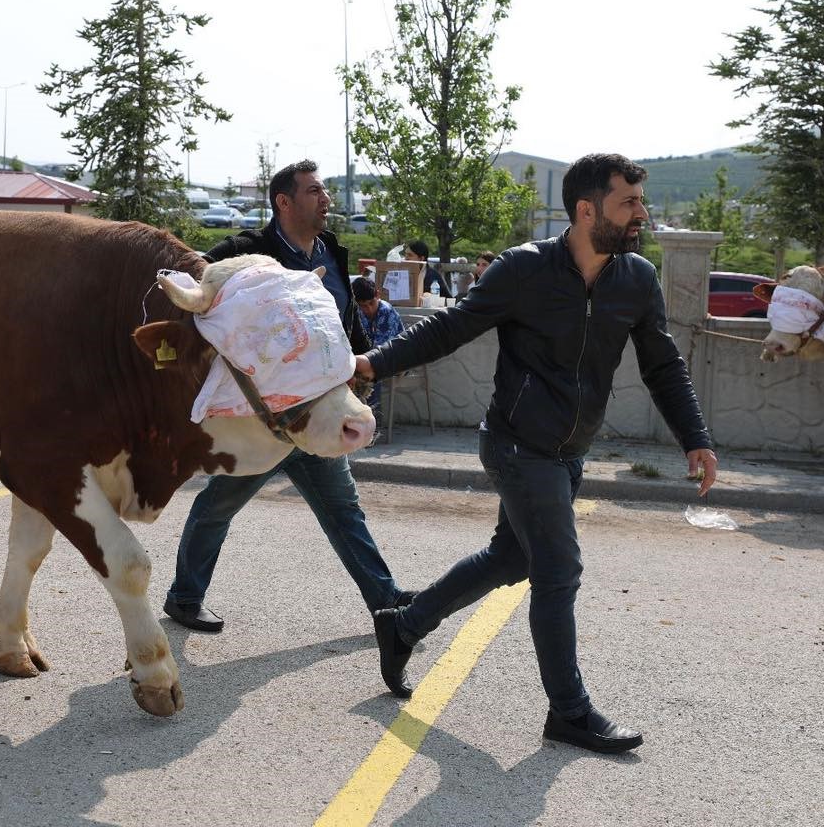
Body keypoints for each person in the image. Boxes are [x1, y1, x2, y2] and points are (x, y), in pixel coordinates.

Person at [355, 153, 718, 754]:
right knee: (558, 569)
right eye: (629, 202)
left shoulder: (635, 278)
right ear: (587, 210)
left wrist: (695, 436)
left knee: (510, 558)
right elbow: (451, 326)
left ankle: (404, 626)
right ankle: (569, 712)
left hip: (569, 449)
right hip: (517, 444)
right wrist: (374, 362)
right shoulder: (525, 269)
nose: (641, 214)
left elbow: (663, 365)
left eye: (641, 201)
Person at [162, 160, 414, 633]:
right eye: (315, 191)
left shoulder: (331, 251)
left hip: (322, 411)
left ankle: (386, 599)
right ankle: (185, 597)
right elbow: (197, 296)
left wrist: (361, 362)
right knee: (218, 506)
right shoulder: (246, 251)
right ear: (284, 201)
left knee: (343, 509)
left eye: (324, 191)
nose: (326, 200)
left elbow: (341, 320)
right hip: (269, 420)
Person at [350, 275, 403, 424]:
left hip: (397, 358)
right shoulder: (356, 312)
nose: (368, 309)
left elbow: (380, 351)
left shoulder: (386, 311)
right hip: (368, 357)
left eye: (371, 303)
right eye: (363, 305)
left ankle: (373, 423)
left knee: (371, 372)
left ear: (378, 295)